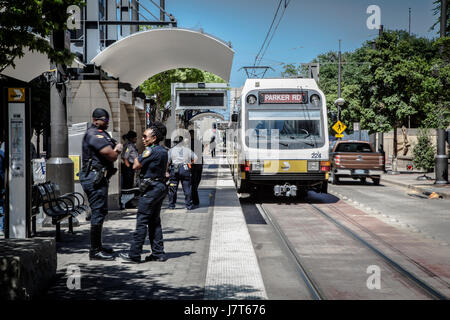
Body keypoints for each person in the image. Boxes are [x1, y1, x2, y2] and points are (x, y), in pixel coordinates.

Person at [119, 122, 168, 263]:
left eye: (145, 136)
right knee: (155, 222)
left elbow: (135, 165)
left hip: (150, 189)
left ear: (154, 138)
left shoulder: (150, 151)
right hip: (159, 187)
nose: (143, 139)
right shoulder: (164, 150)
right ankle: (158, 253)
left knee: (142, 221)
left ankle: (134, 254)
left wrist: (139, 155)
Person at [80, 108, 123, 261]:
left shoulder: (102, 133)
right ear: (95, 119)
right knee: (98, 212)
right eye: (104, 119)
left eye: (107, 119)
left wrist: (116, 145)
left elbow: (114, 142)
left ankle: (98, 246)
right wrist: (117, 150)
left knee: (101, 211)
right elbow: (111, 154)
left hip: (99, 178)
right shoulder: (94, 134)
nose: (107, 121)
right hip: (94, 178)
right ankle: (95, 250)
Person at [167, 135, 197, 210]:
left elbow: (168, 162)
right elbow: (196, 158)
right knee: (187, 188)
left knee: (173, 188)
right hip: (185, 169)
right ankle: (188, 205)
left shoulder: (171, 150)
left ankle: (171, 205)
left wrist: (166, 171)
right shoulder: (187, 149)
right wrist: (190, 163)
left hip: (174, 169)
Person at [190, 129, 203, 207]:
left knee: (193, 184)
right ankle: (195, 200)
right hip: (198, 165)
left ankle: (194, 200)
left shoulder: (188, 143)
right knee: (196, 183)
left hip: (193, 166)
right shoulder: (199, 142)